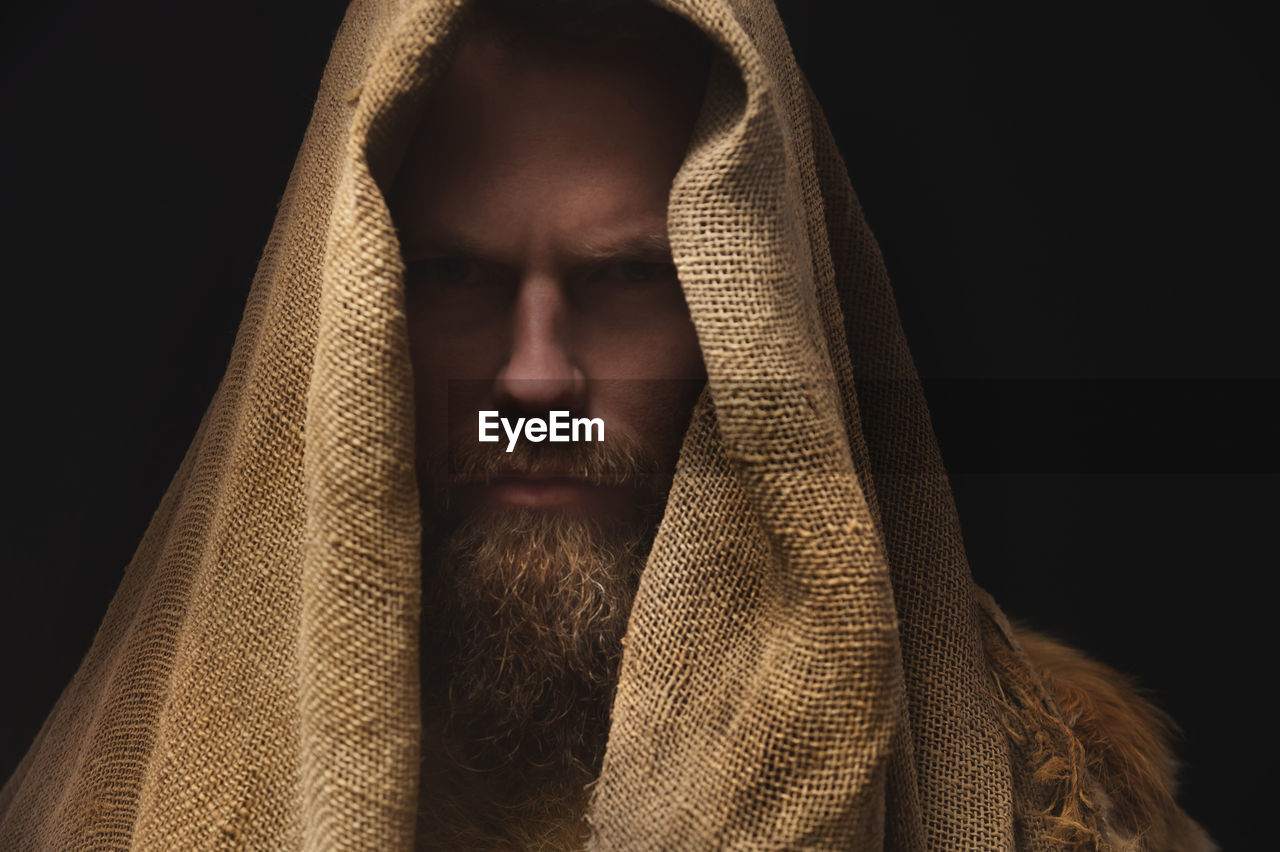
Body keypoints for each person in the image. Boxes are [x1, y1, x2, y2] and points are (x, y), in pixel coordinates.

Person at [0, 1, 1215, 849]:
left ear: (755, 321)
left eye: (631, 279)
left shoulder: (1034, 798)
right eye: (455, 276)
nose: (533, 384)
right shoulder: (129, 782)